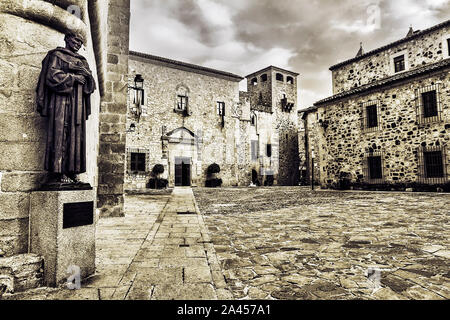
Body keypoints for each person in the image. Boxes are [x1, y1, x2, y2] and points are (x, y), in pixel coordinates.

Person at [36, 32, 96, 184]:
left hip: (78, 105)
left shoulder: (82, 61)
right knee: (59, 133)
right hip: (60, 101)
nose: (78, 44)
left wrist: (87, 75)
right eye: (76, 40)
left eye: (81, 42)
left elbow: (91, 86)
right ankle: (57, 172)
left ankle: (72, 172)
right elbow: (51, 76)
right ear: (67, 39)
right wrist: (74, 77)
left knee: (76, 137)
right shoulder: (56, 55)